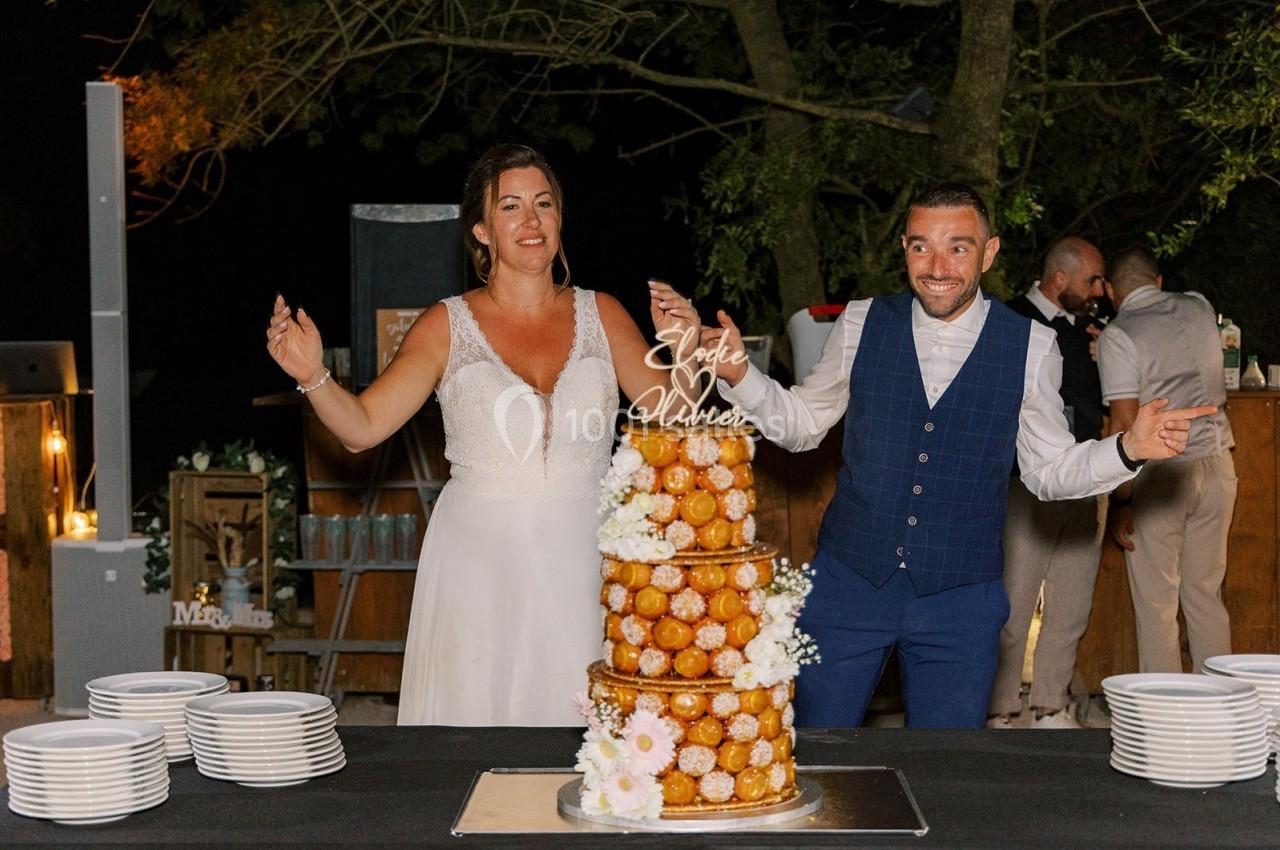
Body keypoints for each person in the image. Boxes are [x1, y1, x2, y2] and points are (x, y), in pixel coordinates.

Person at [700, 183, 1215, 729]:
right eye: (922, 247)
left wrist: (1128, 449)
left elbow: (1047, 473)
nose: (937, 265)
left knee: (948, 771)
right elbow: (802, 427)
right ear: (904, 248)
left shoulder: (1032, 345)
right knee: (820, 755)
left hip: (960, 600)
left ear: (989, 253)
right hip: (847, 584)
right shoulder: (858, 323)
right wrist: (739, 373)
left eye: (958, 247)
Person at [265, 144, 701, 725]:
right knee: (477, 736)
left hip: (588, 558)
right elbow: (362, 429)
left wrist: (689, 355)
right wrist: (312, 376)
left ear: (560, 219)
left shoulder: (605, 313)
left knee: (589, 742)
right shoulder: (447, 324)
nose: (531, 220)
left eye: (544, 204)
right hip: (478, 560)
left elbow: (677, 418)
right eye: (512, 206)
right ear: (481, 229)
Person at [1097, 246, 1235, 674]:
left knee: (1157, 604)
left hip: (1161, 475)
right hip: (1218, 463)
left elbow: (1123, 421)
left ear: (1108, 290)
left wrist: (1122, 500)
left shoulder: (1118, 335)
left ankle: (1165, 717)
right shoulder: (1198, 305)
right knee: (1205, 594)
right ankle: (1222, 711)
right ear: (1157, 281)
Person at [988, 237, 1107, 730]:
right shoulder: (1005, 319)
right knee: (1012, 607)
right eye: (1092, 280)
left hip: (1085, 478)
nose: (1099, 289)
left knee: (1071, 603)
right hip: (1024, 484)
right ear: (1060, 278)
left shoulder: (1089, 331)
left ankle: (1050, 706)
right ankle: (999, 708)